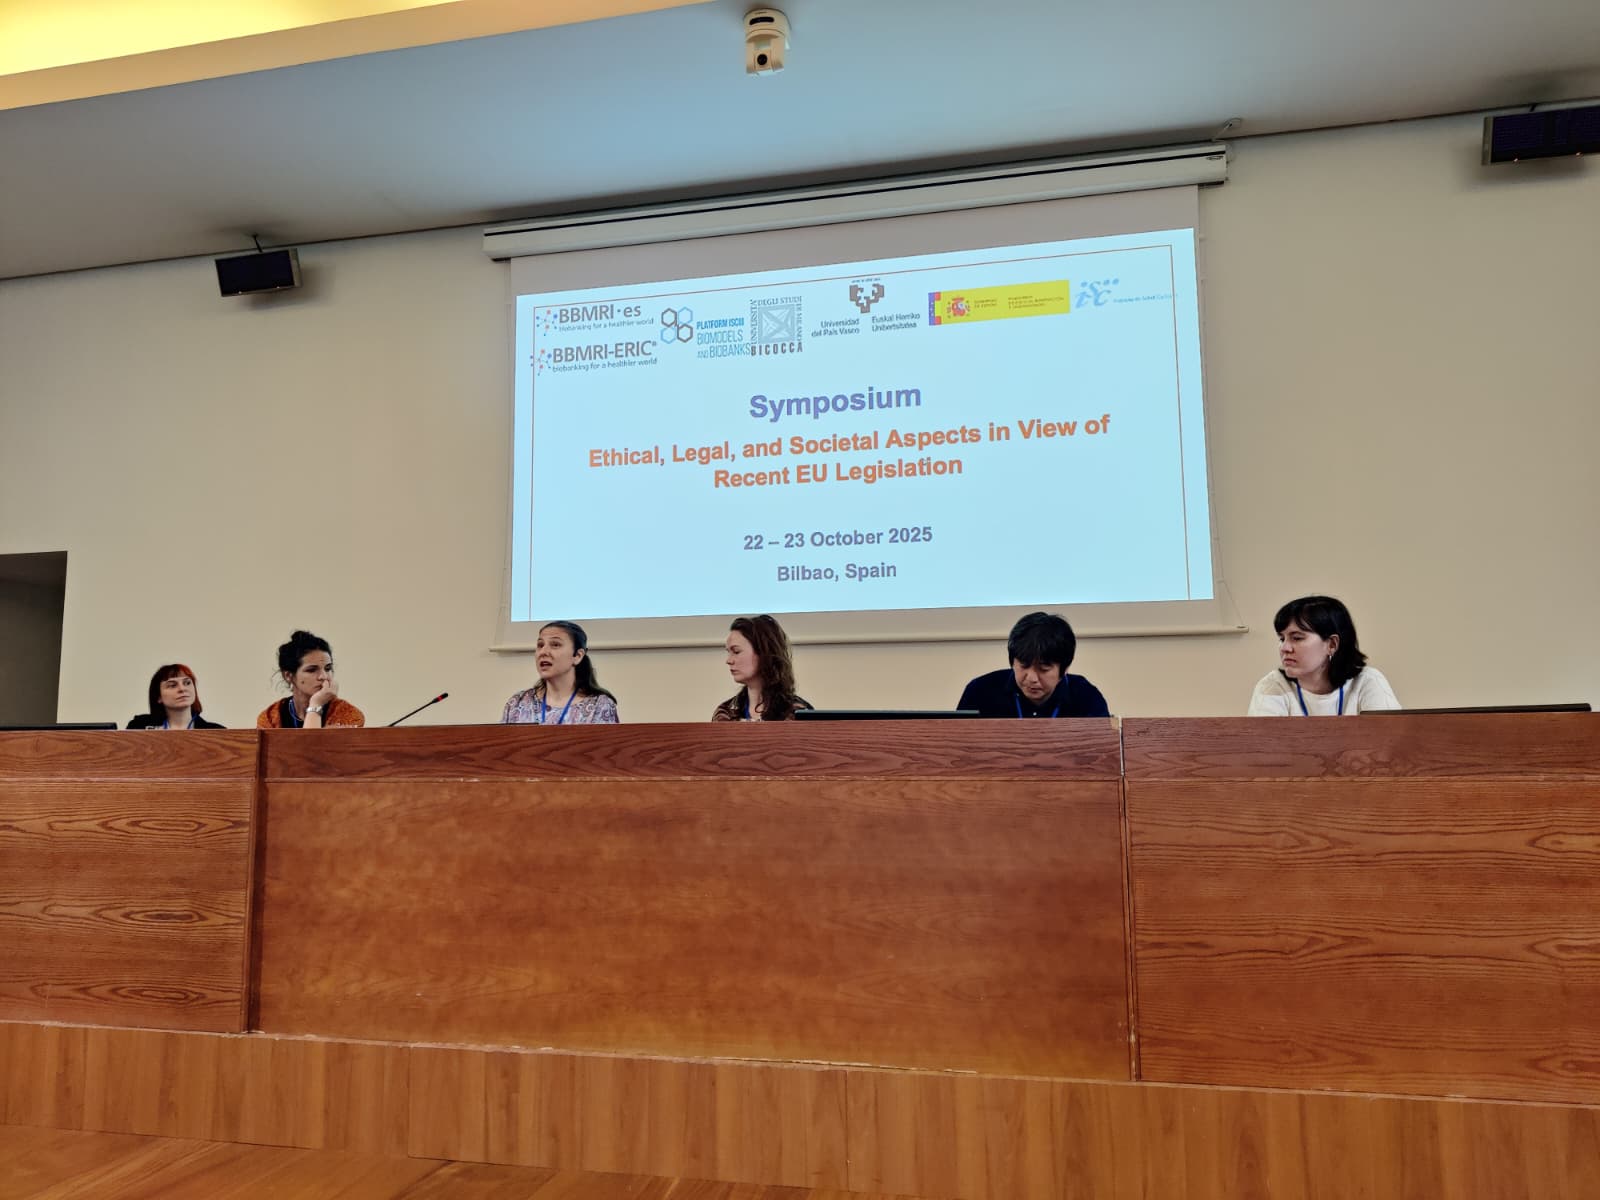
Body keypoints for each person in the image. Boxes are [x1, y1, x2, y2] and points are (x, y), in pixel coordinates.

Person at [1247, 595, 1400, 716]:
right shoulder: (1272, 686)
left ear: (1332, 644)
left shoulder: (1368, 681)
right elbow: (1261, 746)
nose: (1284, 648)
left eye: (1297, 638)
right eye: (1282, 639)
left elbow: (1391, 742)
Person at [957, 611, 1111, 718]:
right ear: (1012, 661)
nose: (1031, 678)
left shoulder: (1086, 697)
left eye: (1043, 669)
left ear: (1064, 669)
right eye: (1024, 665)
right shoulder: (980, 691)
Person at [501, 620, 619, 724]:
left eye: (555, 645)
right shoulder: (518, 703)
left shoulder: (599, 706)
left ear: (577, 656)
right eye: (540, 645)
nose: (543, 652)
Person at [256, 630, 365, 728]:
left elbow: (312, 744)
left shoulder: (347, 713)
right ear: (288, 676)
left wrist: (316, 704)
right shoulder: (269, 718)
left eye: (328, 668)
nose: (324, 676)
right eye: (312, 670)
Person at [713, 614, 813, 721]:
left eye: (736, 652)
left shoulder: (797, 712)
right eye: (728, 652)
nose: (729, 661)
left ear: (763, 653)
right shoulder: (725, 712)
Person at [126, 663, 226, 729]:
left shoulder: (217, 732)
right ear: (158, 697)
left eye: (187, 683)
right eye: (172, 685)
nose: (182, 689)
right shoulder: (138, 726)